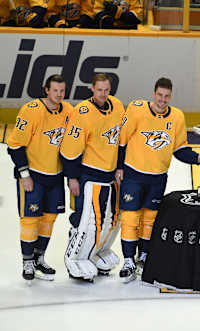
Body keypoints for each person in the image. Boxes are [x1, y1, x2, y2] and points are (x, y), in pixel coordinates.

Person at [115, 78, 200, 283]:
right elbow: (122, 139)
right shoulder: (136, 109)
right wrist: (119, 166)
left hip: (158, 176)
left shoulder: (176, 116)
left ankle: (144, 256)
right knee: (131, 218)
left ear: (170, 96)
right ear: (154, 93)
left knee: (150, 219)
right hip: (133, 173)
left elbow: (179, 148)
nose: (162, 100)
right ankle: (129, 260)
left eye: (166, 96)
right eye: (160, 95)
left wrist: (196, 158)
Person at [7, 74, 73, 283]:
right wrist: (24, 174)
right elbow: (14, 145)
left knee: (49, 219)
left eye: (62, 91)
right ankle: (27, 261)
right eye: (55, 90)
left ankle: (39, 258)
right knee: (30, 220)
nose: (59, 95)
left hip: (55, 176)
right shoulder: (31, 111)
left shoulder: (69, 112)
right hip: (33, 176)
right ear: (46, 90)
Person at [60, 73, 125, 282]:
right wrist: (72, 178)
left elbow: (120, 140)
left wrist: (120, 167)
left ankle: (96, 252)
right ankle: (74, 258)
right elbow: (70, 150)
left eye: (107, 90)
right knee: (87, 221)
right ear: (92, 88)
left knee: (111, 220)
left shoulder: (117, 105)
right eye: (99, 90)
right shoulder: (82, 112)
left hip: (110, 175)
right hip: (88, 175)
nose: (103, 94)